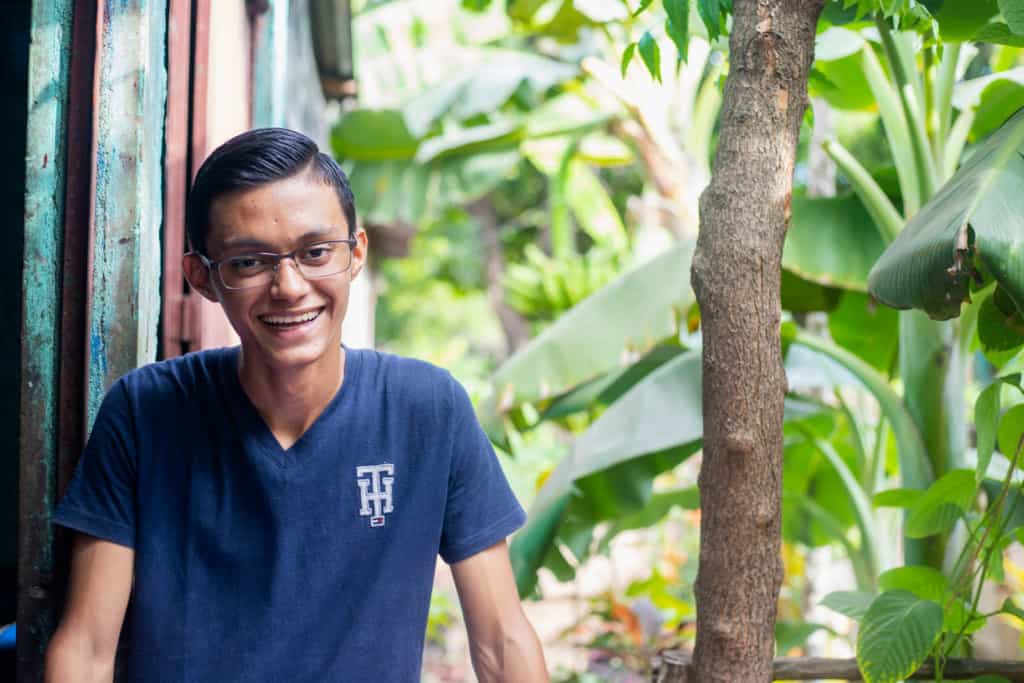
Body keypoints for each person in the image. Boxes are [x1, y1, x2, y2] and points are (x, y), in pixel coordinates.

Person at [44, 128, 548, 682]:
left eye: (314, 253)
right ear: (203, 278)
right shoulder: (145, 413)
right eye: (248, 262)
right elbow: (87, 647)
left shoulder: (427, 411)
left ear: (355, 253)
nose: (288, 286)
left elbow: (501, 639)